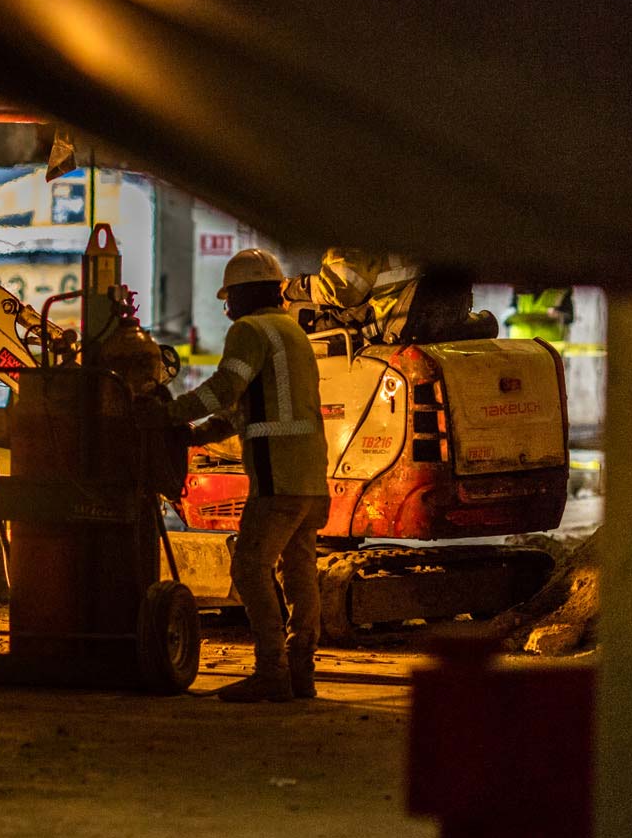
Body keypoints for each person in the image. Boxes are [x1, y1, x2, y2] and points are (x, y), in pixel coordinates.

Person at [162, 249, 328, 702]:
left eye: (229, 295)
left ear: (246, 292)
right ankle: (300, 672)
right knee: (299, 571)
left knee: (250, 566)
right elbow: (247, 408)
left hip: (278, 478)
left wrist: (165, 415)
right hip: (312, 478)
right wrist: (197, 436)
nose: (225, 306)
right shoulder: (292, 332)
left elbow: (223, 389)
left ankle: (271, 670)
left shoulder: (249, 330)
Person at [282, 247, 493, 343]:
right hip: (414, 313)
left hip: (389, 316)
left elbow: (343, 290)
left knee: (301, 315)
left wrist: (291, 289)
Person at [504, 287, 575, 343]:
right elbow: (509, 312)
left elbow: (569, 317)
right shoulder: (521, 287)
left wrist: (557, 315)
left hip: (549, 347)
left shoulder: (561, 288)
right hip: (520, 345)